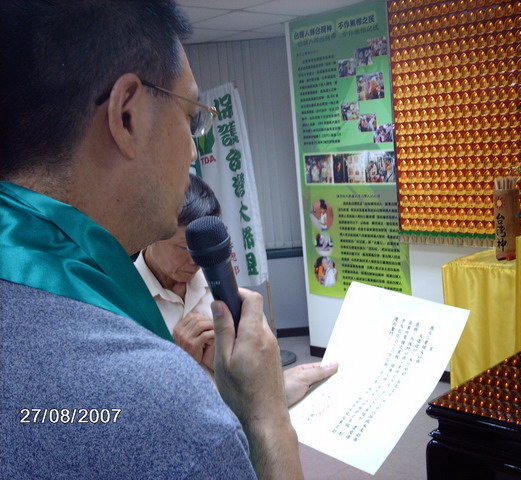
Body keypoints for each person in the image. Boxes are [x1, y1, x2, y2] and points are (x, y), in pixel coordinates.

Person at [0, 1, 302, 478]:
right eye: (192, 119)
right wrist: (268, 418)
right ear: (127, 116)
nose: (193, 151)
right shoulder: (162, 406)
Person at [136, 174, 337, 404]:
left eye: (200, 249)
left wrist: (270, 381)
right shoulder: (119, 301)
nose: (195, 261)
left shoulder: (217, 284)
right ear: (149, 234)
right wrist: (177, 363)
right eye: (183, 248)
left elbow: (253, 383)